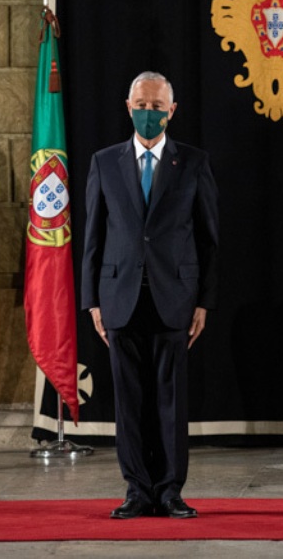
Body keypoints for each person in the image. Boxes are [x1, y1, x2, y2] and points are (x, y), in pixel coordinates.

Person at [82, 71, 218, 520]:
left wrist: (204, 301)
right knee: (129, 399)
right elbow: (93, 237)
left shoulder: (193, 162)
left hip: (175, 299)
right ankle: (136, 489)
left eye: (157, 107)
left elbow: (209, 239)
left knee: (170, 399)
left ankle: (170, 489)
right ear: (128, 105)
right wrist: (92, 301)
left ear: (171, 111)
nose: (148, 113)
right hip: (119, 296)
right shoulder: (104, 162)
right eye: (141, 104)